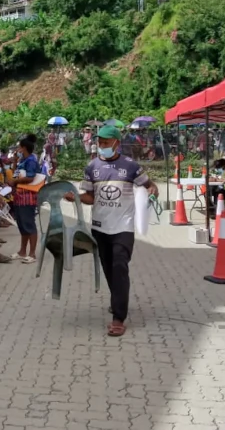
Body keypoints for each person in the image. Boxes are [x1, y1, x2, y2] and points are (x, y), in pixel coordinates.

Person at [65, 125, 158, 337]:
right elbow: (90, 197)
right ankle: (118, 299)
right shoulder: (92, 167)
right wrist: (76, 197)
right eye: (100, 142)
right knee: (108, 268)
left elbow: (150, 186)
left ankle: (118, 317)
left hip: (123, 227)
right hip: (100, 226)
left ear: (116, 142)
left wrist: (151, 193)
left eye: (106, 142)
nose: (102, 146)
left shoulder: (131, 166)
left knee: (119, 267)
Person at [10, 139, 41, 264]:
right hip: (19, 197)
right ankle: (22, 251)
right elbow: (15, 174)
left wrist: (16, 182)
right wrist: (14, 162)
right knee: (22, 225)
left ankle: (32, 253)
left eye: (19, 147)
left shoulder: (31, 161)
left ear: (24, 148)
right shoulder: (22, 161)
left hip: (28, 197)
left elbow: (30, 177)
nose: (17, 150)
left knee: (29, 224)